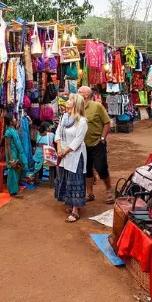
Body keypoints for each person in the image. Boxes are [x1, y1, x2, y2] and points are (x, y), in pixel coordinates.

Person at [55, 93, 88, 223]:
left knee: (75, 180)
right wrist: (59, 148)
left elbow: (78, 140)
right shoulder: (64, 117)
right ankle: (69, 202)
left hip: (75, 155)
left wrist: (65, 151)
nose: (67, 101)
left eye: (70, 100)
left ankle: (76, 210)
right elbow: (58, 132)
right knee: (65, 177)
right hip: (63, 152)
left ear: (76, 104)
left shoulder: (82, 121)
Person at [78, 86, 114, 204]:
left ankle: (109, 190)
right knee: (87, 169)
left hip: (97, 143)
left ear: (86, 95)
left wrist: (102, 138)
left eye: (79, 92)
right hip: (83, 144)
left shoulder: (97, 106)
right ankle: (90, 193)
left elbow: (107, 123)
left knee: (101, 167)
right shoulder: (77, 107)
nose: (77, 93)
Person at [3, 115, 28, 197]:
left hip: (17, 153)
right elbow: (7, 146)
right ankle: (13, 192)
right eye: (13, 118)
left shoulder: (13, 129)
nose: (15, 119)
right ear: (10, 122)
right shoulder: (8, 132)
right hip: (12, 154)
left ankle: (16, 189)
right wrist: (11, 159)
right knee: (12, 172)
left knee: (19, 169)